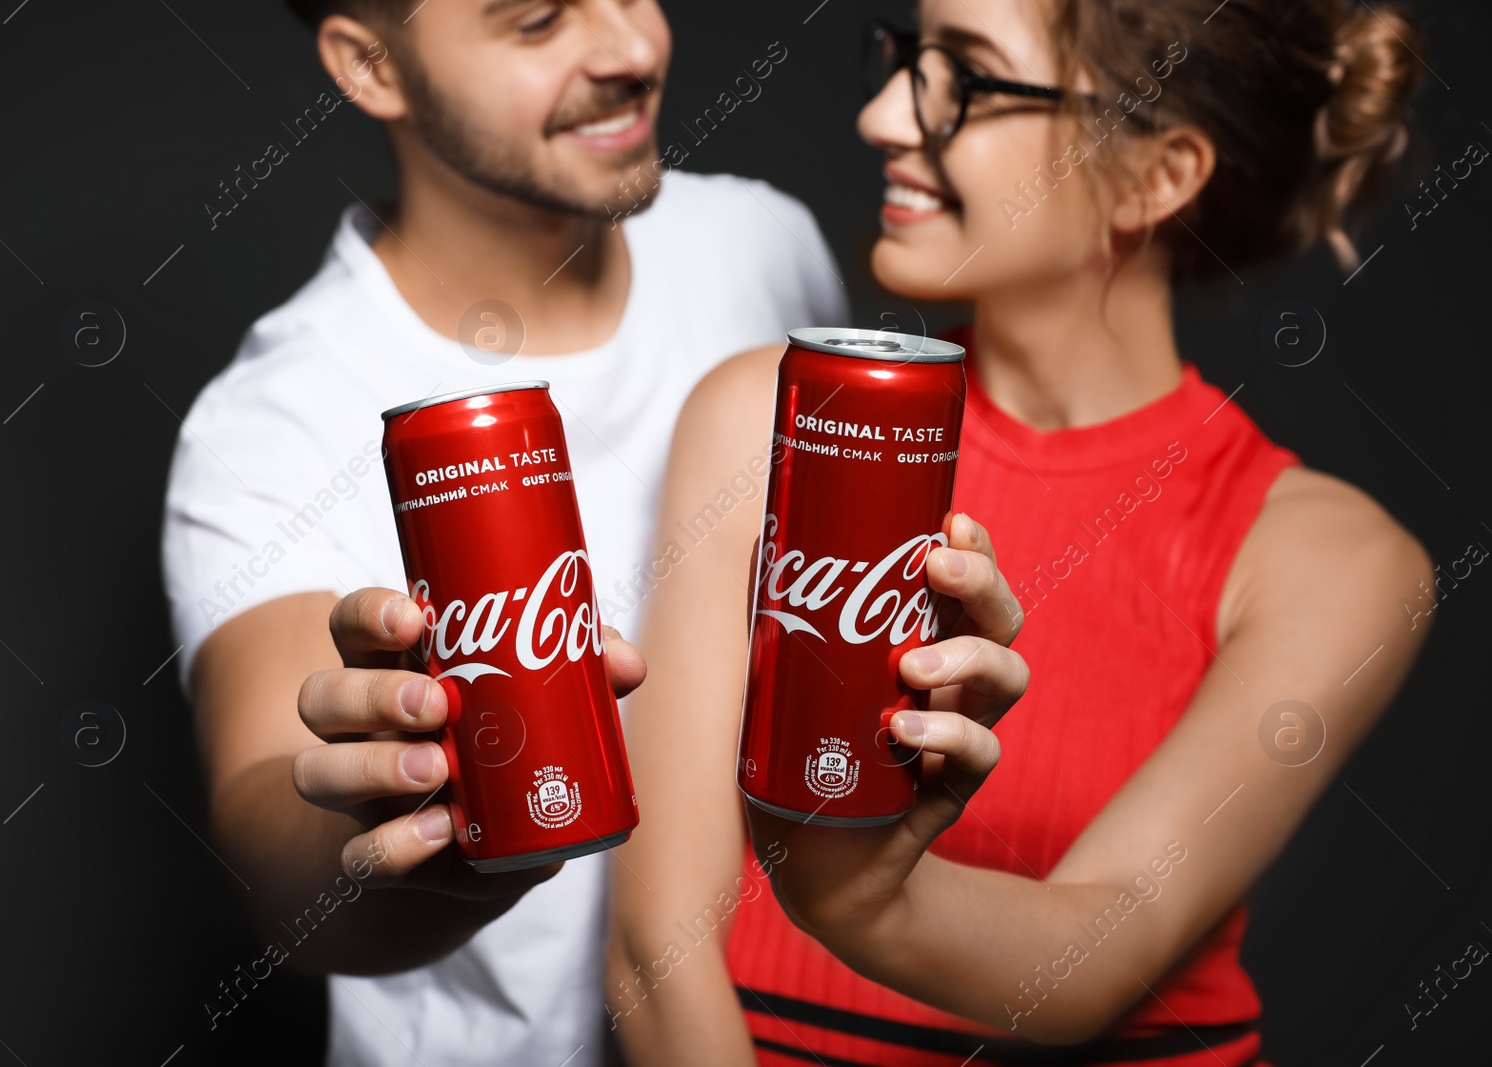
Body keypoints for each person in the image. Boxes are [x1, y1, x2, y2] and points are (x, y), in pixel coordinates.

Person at [607, 0, 1432, 1064]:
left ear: (1154, 176)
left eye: (969, 80)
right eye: (908, 57)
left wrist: (858, 896)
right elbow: (654, 952)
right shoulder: (769, 416)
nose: (882, 116)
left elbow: (1094, 955)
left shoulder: (1333, 558)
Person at [159, 1, 846, 1064]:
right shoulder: (275, 418)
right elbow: (273, 840)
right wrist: (402, 833)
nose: (630, 50)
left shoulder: (766, 245)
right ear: (371, 64)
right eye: (536, 22)